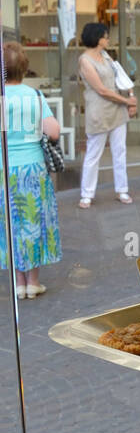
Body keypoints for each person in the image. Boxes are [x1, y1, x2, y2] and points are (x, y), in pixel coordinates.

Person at [0, 41, 62, 297]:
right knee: (34, 220)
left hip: (5, 170)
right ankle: (34, 281)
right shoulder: (35, 96)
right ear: (24, 67)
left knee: (11, 223)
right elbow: (54, 132)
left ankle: (18, 283)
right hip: (34, 168)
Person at [77, 21, 137, 208]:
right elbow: (101, 90)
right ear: (97, 38)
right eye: (105, 36)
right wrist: (127, 101)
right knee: (94, 152)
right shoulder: (85, 60)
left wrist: (131, 96)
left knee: (120, 151)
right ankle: (87, 193)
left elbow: (121, 77)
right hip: (99, 110)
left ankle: (122, 189)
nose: (107, 39)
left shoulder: (106, 56)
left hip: (117, 108)